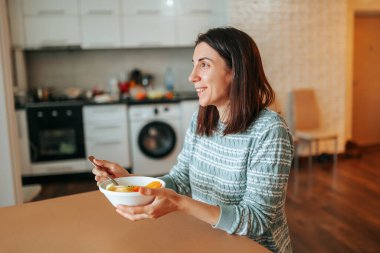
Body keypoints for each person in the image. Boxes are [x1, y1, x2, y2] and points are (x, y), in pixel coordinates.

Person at [92, 27, 293, 253]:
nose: (192, 76)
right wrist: (132, 183)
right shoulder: (202, 118)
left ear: (236, 70)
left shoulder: (270, 130)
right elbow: (181, 179)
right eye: (194, 64)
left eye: (204, 64)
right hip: (207, 240)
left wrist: (180, 203)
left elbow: (256, 220)